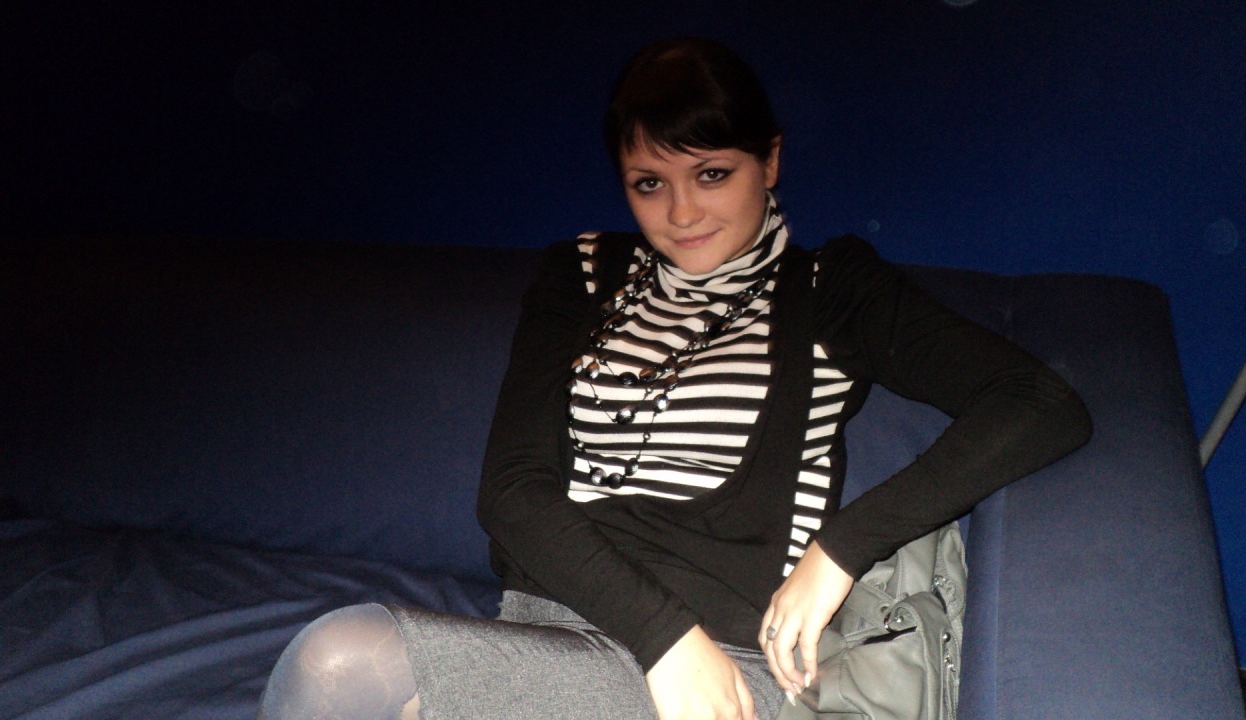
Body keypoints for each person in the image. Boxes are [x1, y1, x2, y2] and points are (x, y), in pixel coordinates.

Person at [256, 37, 1092, 720]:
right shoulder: (583, 273)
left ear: (769, 160)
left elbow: (1040, 405)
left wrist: (840, 549)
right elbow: (511, 491)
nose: (682, 213)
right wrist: (660, 637)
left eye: (712, 173)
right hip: (554, 634)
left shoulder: (828, 290)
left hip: (718, 669)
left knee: (341, 666)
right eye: (649, 184)